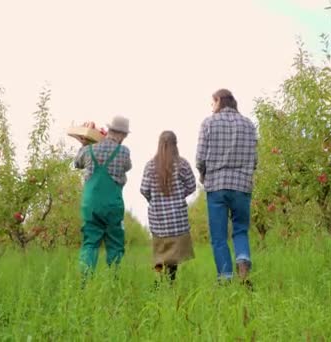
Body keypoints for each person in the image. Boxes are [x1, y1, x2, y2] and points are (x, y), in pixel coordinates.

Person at [196, 89, 258, 285]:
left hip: (216, 185)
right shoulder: (248, 124)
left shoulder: (208, 123)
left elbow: (200, 157)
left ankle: (225, 277)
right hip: (242, 185)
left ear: (218, 101)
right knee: (240, 230)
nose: (211, 107)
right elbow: (254, 158)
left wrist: (203, 173)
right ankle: (242, 260)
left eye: (212, 103)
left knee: (219, 235)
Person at [74, 116, 132, 276]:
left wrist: (85, 143)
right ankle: (113, 282)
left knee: (90, 243)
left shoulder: (88, 150)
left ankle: (84, 283)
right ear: (123, 135)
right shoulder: (124, 152)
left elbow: (77, 163)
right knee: (115, 244)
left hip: (91, 205)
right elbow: (128, 167)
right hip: (113, 205)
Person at [140, 131, 196, 285]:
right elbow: (192, 186)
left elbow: (144, 189)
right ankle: (171, 282)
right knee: (174, 255)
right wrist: (178, 196)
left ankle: (158, 281)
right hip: (177, 220)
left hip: (158, 220)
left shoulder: (150, 165)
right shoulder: (182, 164)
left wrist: (155, 201)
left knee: (160, 252)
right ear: (175, 144)